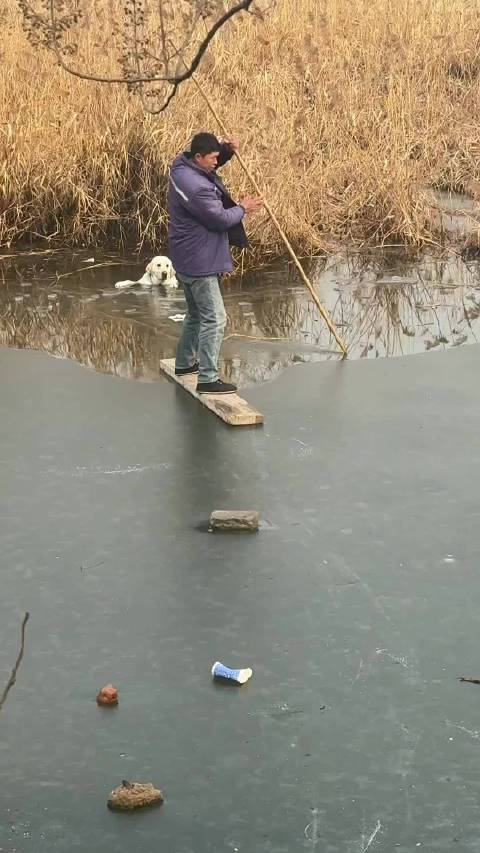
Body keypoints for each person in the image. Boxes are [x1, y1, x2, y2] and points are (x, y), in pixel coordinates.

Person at [167, 132, 263, 394]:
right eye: (213, 158)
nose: (216, 162)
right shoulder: (196, 188)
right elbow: (219, 219)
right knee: (215, 319)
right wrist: (243, 208)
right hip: (201, 262)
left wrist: (226, 150)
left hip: (186, 256)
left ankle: (185, 363)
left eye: (217, 157)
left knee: (196, 314)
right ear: (198, 157)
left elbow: (208, 167)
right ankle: (208, 379)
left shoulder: (181, 166)